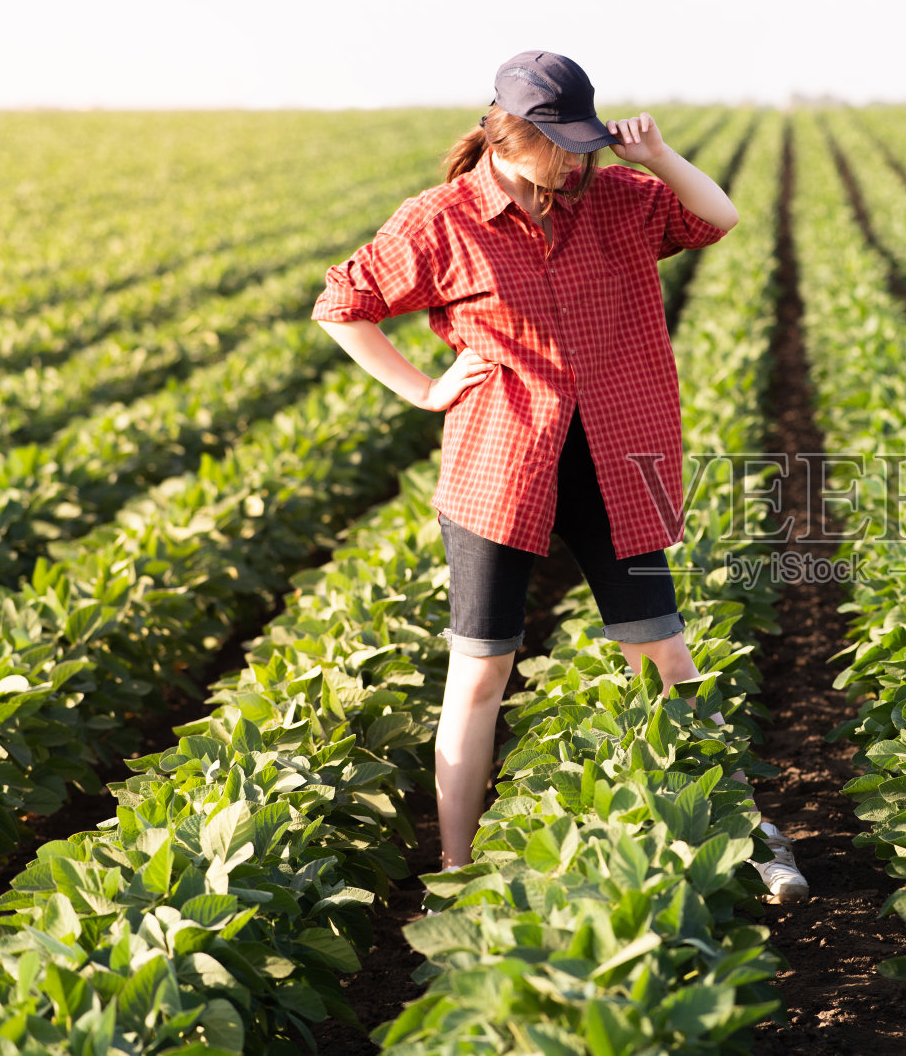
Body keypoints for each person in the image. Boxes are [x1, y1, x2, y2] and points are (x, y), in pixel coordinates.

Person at [311, 50, 808, 902]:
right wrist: (423, 388)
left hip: (615, 458)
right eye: (560, 147)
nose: (576, 164)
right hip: (499, 462)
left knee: (666, 655)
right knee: (480, 671)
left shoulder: (618, 199)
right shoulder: (441, 220)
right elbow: (340, 304)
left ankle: (748, 830)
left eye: (585, 144)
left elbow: (718, 216)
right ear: (509, 135)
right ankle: (458, 869)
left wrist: (656, 157)